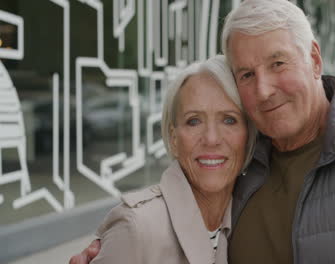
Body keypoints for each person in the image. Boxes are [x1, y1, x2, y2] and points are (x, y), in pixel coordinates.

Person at [71, 0, 335, 263]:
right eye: (247, 75)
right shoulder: (244, 161)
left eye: (278, 63)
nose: (264, 89)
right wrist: (123, 241)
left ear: (314, 59)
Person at [80, 55, 256, 264]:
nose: (211, 138)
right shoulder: (136, 227)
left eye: (229, 119)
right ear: (173, 139)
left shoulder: (250, 221)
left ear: (248, 135)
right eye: (194, 121)